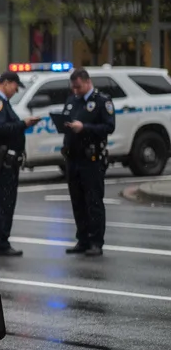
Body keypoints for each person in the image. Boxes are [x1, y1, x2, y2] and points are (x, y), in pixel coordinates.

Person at [0, 70, 40, 257]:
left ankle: (0, 241)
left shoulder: (1, 102)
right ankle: (0, 242)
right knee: (1, 203)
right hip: (2, 161)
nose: (15, 91)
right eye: (15, 86)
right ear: (6, 83)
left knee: (4, 202)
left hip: (6, 161)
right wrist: (23, 124)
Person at [60, 68, 116, 257]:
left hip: (91, 159)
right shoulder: (72, 100)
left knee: (93, 201)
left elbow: (109, 126)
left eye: (78, 87)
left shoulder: (102, 101)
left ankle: (96, 241)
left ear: (87, 82)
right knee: (78, 201)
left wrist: (84, 128)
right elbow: (66, 120)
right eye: (73, 87)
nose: (75, 90)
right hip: (72, 158)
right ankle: (82, 239)